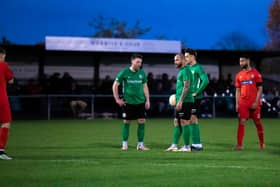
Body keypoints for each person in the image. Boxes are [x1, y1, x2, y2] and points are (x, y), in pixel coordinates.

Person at [112, 54, 150, 151]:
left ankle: (140, 145)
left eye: (140, 62)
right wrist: (117, 99)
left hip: (140, 102)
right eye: (137, 62)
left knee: (142, 122)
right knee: (127, 122)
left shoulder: (142, 73)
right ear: (132, 61)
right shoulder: (124, 72)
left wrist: (148, 100)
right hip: (128, 103)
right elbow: (115, 85)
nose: (139, 64)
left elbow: (145, 87)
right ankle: (124, 144)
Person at [234, 56, 265, 150]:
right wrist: (237, 103)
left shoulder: (256, 74)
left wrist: (256, 101)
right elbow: (237, 90)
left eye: (242, 61)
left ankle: (262, 144)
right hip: (243, 103)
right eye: (240, 61)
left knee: (257, 122)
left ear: (248, 61)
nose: (241, 63)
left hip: (254, 103)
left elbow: (260, 89)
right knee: (241, 121)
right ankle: (239, 145)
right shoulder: (239, 75)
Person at [165, 53, 194, 152]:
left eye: (177, 60)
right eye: (174, 60)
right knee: (177, 122)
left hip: (186, 101)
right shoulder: (182, 71)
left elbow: (186, 87)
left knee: (184, 121)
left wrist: (180, 101)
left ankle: (186, 146)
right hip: (180, 101)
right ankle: (174, 145)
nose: (175, 62)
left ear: (183, 60)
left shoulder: (185, 70)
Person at [184, 48, 209, 151]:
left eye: (187, 56)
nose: (185, 58)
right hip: (189, 98)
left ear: (193, 56)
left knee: (192, 118)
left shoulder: (198, 68)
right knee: (189, 119)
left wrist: (197, 92)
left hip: (196, 98)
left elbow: (206, 81)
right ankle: (196, 144)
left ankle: (197, 144)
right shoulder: (187, 68)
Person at [0, 47, 14, 160]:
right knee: (5, 123)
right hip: (1, 98)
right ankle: (0, 151)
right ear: (2, 55)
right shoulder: (3, 65)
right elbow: (11, 80)